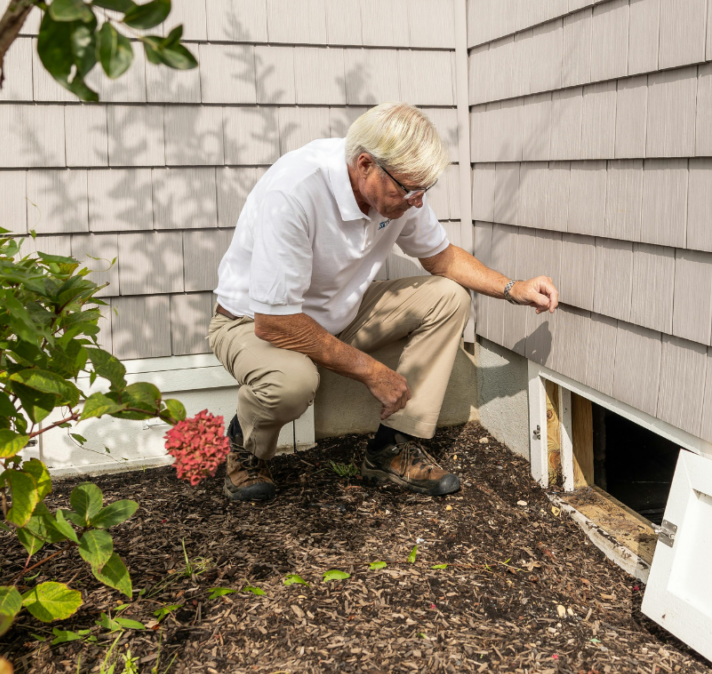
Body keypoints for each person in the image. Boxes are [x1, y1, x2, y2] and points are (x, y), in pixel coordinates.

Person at [208, 103, 558, 502]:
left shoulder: (399, 191)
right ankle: (246, 448)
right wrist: (373, 372)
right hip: (252, 322)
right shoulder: (295, 191)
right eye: (408, 190)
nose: (417, 202)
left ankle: (392, 449)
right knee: (292, 383)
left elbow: (441, 259)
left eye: (423, 191)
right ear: (365, 165)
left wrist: (513, 288)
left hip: (338, 314)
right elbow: (275, 322)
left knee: (448, 297)